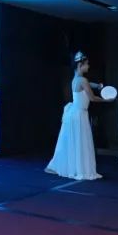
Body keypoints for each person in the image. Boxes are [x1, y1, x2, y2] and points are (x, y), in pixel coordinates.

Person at [46, 52, 110, 180]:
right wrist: (107, 99)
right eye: (87, 64)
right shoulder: (83, 80)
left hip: (74, 113)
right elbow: (92, 98)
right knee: (80, 142)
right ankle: (79, 168)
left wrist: (97, 85)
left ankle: (72, 166)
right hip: (79, 115)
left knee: (73, 142)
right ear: (80, 65)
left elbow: (88, 84)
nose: (88, 66)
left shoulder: (76, 78)